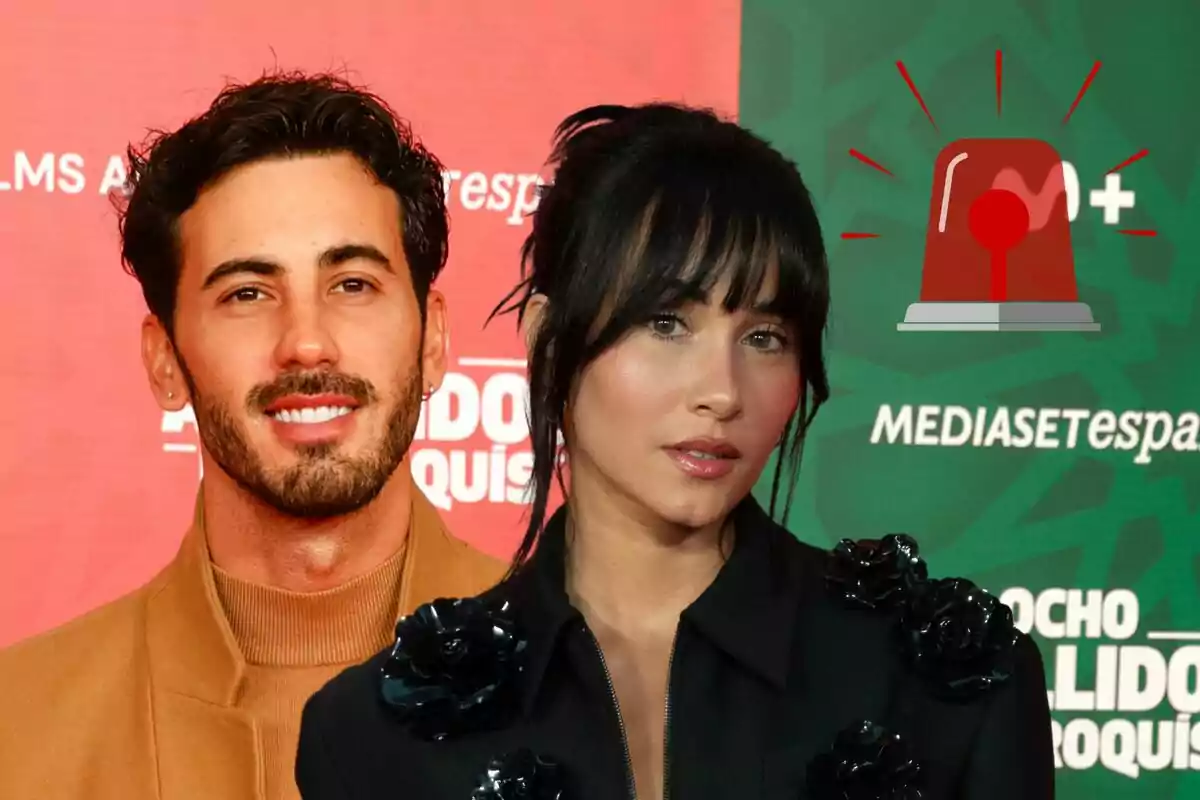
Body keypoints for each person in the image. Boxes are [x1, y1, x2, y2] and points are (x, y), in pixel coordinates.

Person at [294, 104, 1055, 800]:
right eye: (667, 324)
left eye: (764, 338)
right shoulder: (380, 732)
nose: (722, 391)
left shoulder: (946, 683)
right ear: (546, 338)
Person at [0, 73, 506, 800]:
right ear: (164, 359)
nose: (306, 343)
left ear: (434, 340)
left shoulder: (600, 690)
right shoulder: (19, 729)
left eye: (353, 284)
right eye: (247, 294)